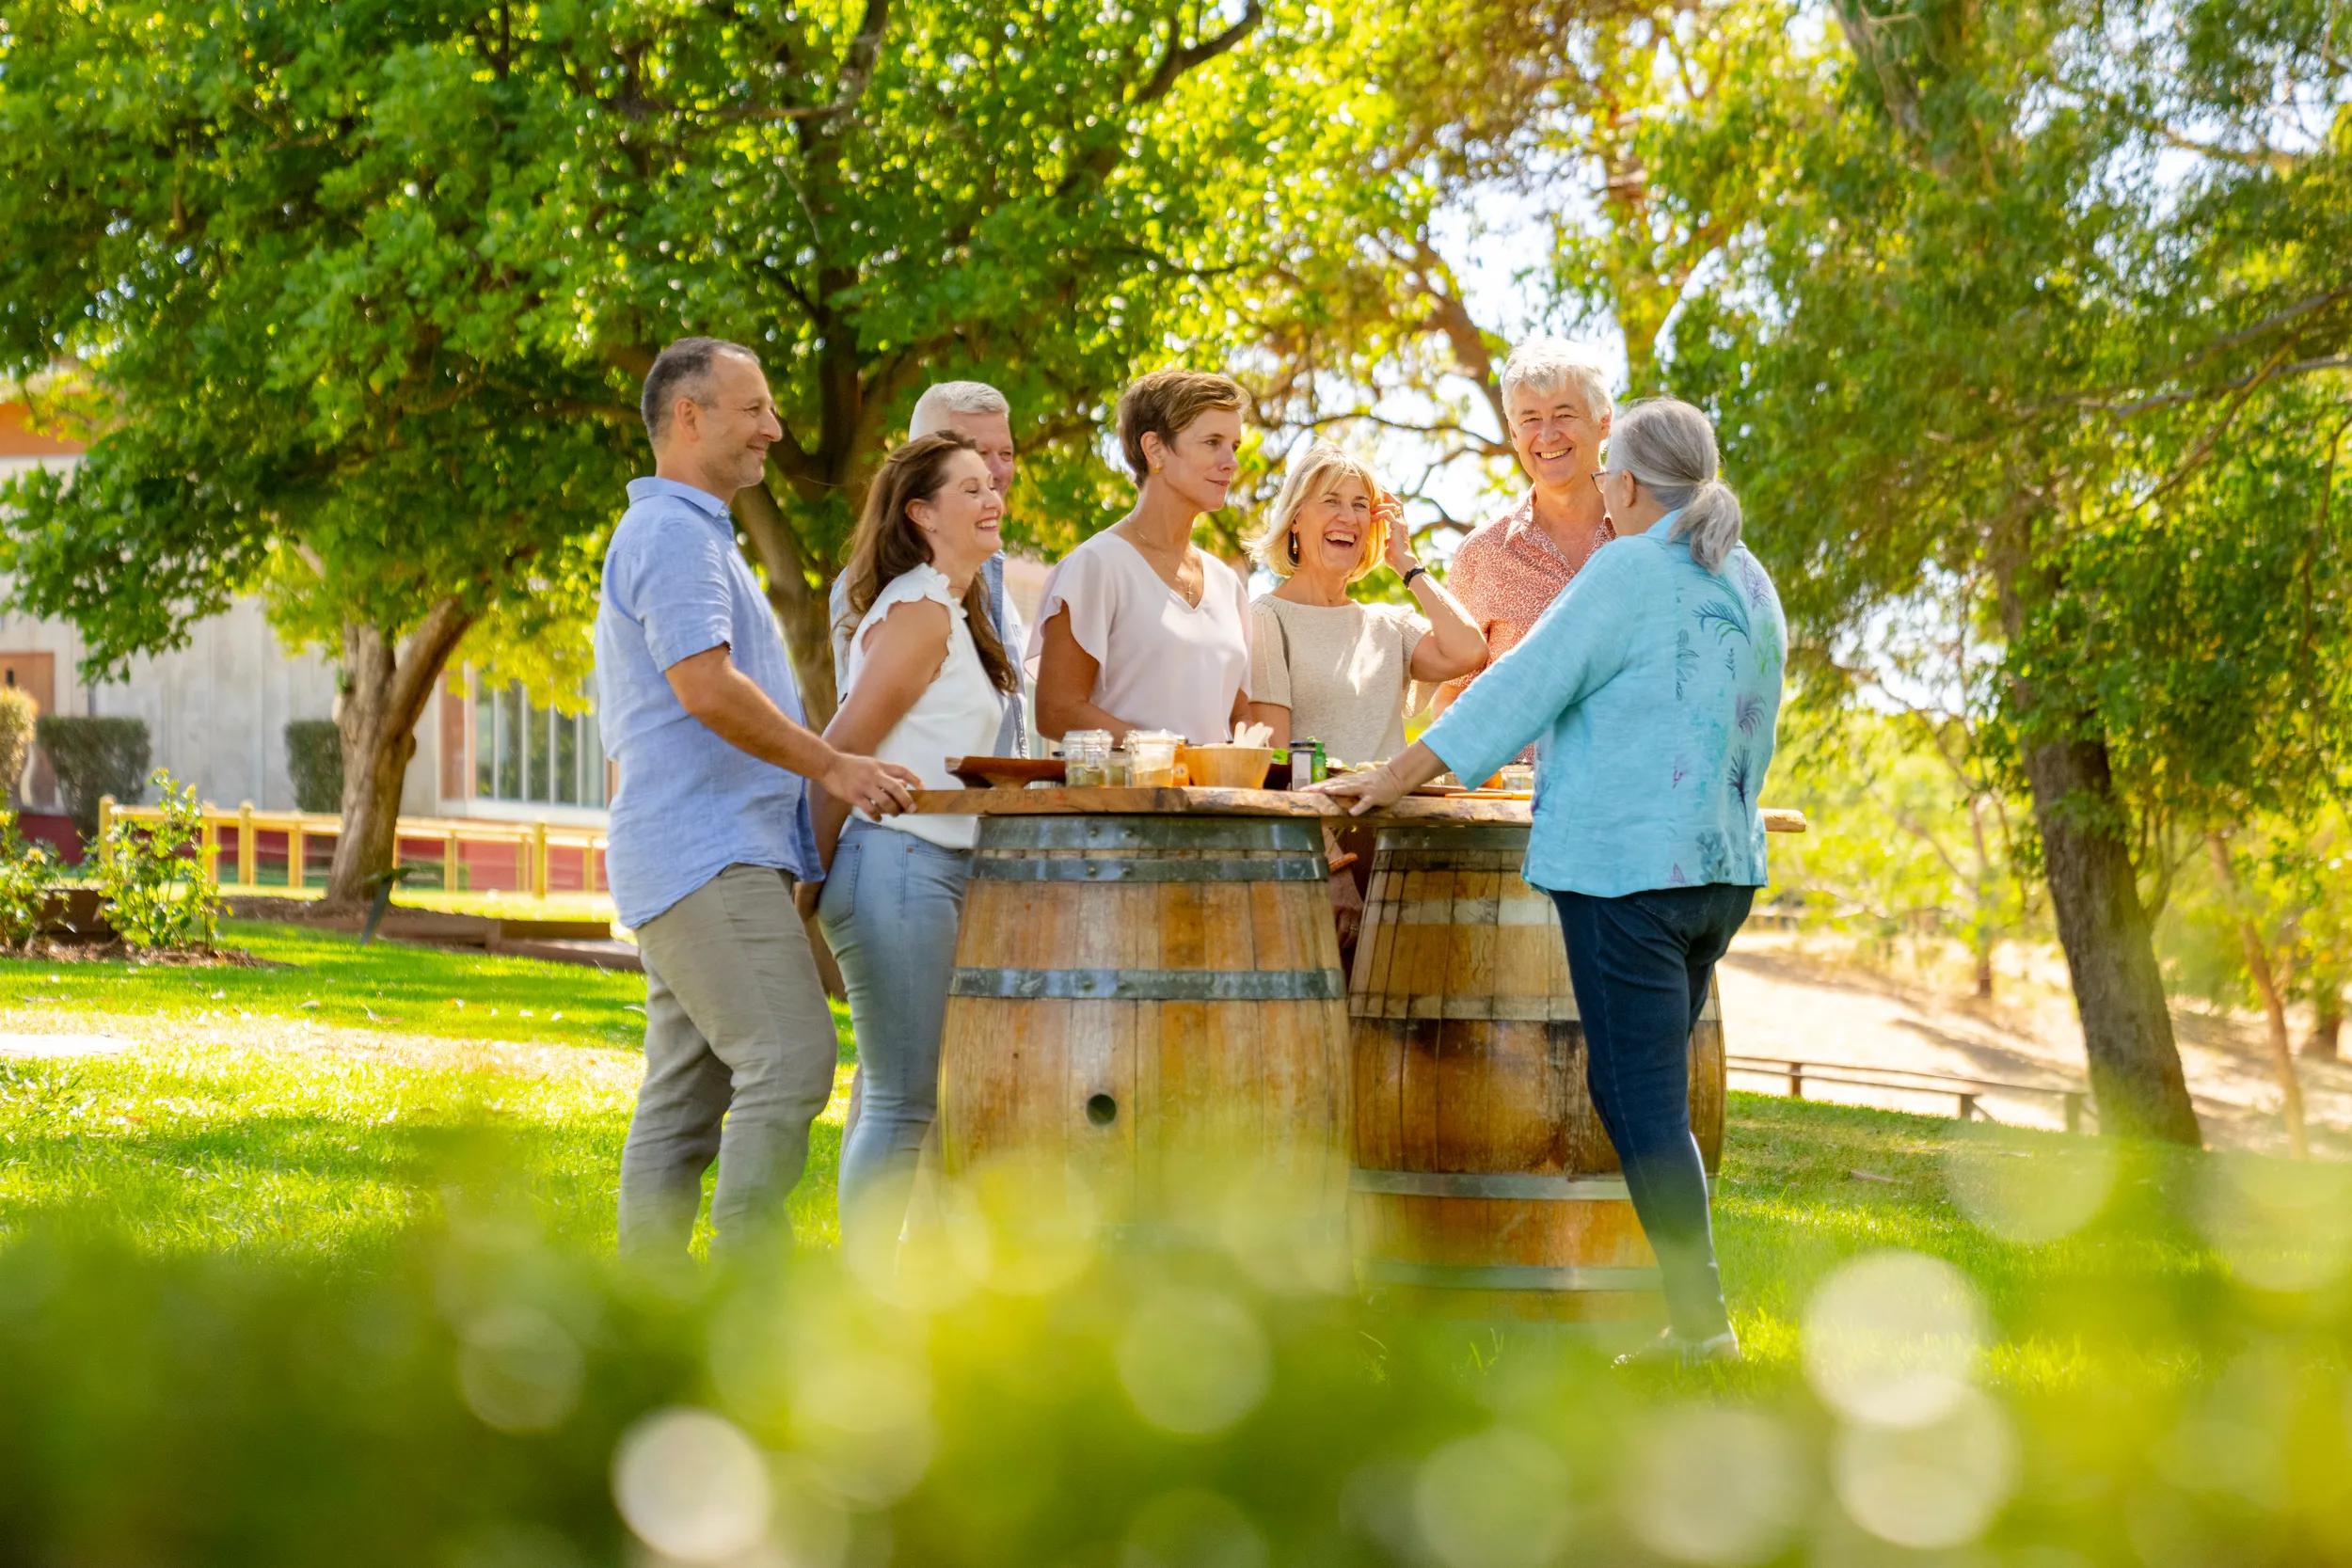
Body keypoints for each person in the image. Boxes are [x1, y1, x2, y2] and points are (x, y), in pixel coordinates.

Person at [1310, 399, 1786, 1366]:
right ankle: (1688, 1323)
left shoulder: (1627, 568)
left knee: (1638, 1098)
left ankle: (1704, 1330)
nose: (1601, 484)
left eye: (1609, 467)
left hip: (1630, 876)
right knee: (1652, 1094)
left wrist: (1390, 775)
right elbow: (1752, 721)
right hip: (1718, 869)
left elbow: (1521, 684)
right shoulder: (1744, 575)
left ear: (1629, 483)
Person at [596, 336, 921, 1262]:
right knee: (791, 1057)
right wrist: (831, 765)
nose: (776, 429)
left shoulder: (693, 534)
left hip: (698, 853)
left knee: (686, 1094)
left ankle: (644, 1302)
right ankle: (751, 1283)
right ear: (689, 416)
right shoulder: (670, 533)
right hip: (706, 856)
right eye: (756, 409)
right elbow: (702, 683)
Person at [803, 435, 1015, 1255]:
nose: (991, 493)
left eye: (991, 483)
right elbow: (840, 749)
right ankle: (861, 1298)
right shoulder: (921, 611)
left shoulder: (956, 611)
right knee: (899, 1101)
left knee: (920, 1099)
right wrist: (805, 881)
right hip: (897, 867)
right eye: (968, 488)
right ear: (922, 514)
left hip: (938, 869)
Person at [1031, 369, 1253, 744]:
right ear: (1155, 449)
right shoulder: (1097, 566)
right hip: (1124, 800)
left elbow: (1240, 718)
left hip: (1214, 802)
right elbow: (1056, 711)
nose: (1230, 462)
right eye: (1212, 442)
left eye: (1234, 446)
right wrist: (1169, 753)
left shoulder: (1227, 585)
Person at [1241, 440, 1485, 766]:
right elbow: (1277, 765)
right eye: (1331, 501)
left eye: (1359, 505)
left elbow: (1470, 652)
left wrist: (1407, 564)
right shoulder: (1264, 619)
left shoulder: (1388, 625)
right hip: (1320, 815)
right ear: (1295, 519)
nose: (1348, 518)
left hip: (1398, 816)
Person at [832, 380, 1028, 756]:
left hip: (987, 814)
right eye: (972, 451)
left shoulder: (990, 571)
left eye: (1005, 452)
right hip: (917, 813)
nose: (995, 470)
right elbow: (850, 746)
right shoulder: (885, 587)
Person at [1432, 340, 1618, 720]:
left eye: (1564, 414)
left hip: (1628, 779)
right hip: (1519, 781)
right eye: (1530, 419)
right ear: (1515, 435)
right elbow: (1451, 703)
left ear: (1604, 422)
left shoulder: (1650, 537)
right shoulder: (1483, 555)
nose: (1547, 435)